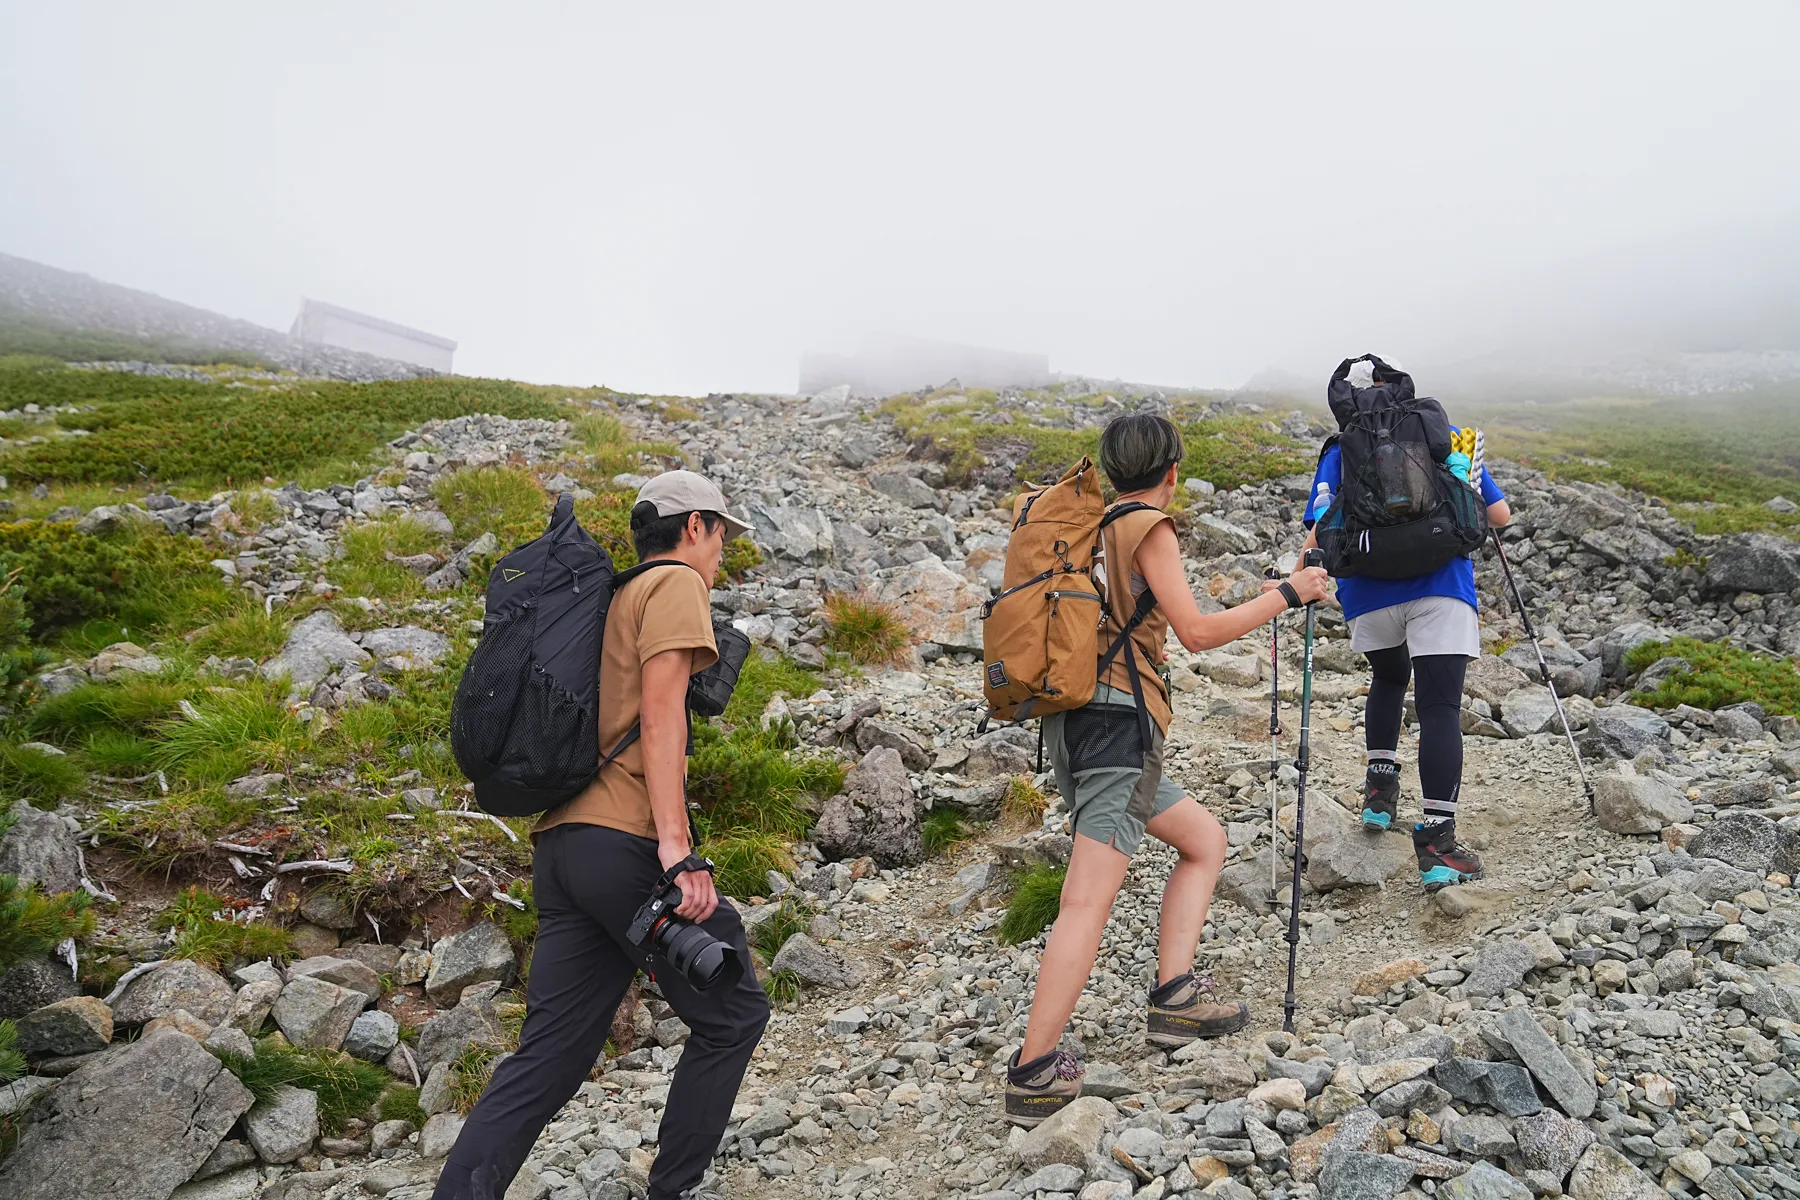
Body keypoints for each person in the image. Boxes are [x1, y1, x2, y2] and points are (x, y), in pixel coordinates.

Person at [434, 471, 770, 1200]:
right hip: (625, 847)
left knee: (546, 1061)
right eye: (721, 535)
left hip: (562, 850)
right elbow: (661, 715)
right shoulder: (675, 584)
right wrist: (677, 847)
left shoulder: (611, 597)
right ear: (692, 528)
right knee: (735, 1013)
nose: (723, 553)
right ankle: (671, 1191)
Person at [1005, 414, 1332, 1128]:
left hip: (1075, 723)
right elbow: (1198, 631)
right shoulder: (1148, 527)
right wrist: (1290, 593)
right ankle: (1034, 1072)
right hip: (1119, 728)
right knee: (1086, 901)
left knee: (1203, 840)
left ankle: (1175, 1000)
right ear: (1172, 470)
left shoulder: (1089, 522)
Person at [1296, 358, 1511, 891]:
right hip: (1441, 586)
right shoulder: (1445, 437)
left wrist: (1297, 582)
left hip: (1368, 591)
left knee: (1389, 678)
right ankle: (1438, 846)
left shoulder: (1340, 446)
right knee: (1439, 707)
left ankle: (1379, 795)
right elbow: (1499, 516)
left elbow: (1316, 535)